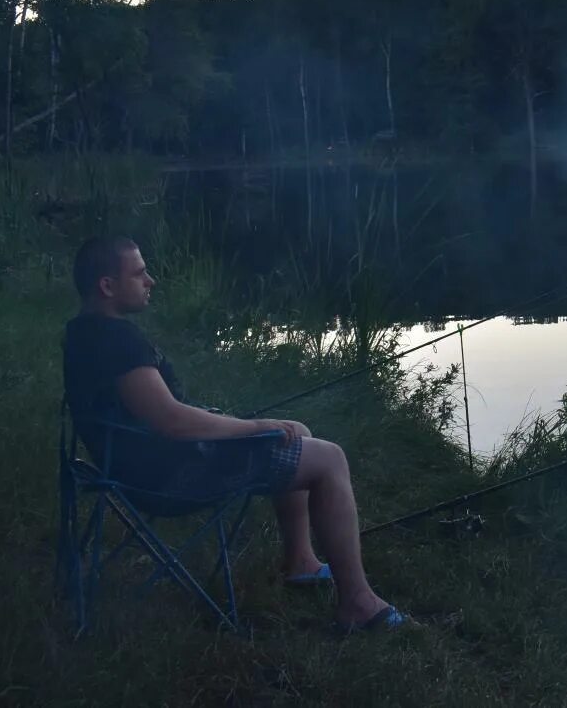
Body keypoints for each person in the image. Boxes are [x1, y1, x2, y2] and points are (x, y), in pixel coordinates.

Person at [63, 234, 406, 633]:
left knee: (298, 433)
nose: (150, 281)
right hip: (167, 478)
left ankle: (301, 561)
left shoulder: (82, 332)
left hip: (132, 465)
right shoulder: (117, 340)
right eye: (140, 274)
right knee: (329, 458)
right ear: (107, 285)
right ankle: (358, 603)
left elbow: (159, 415)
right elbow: (172, 421)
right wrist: (255, 427)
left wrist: (235, 425)